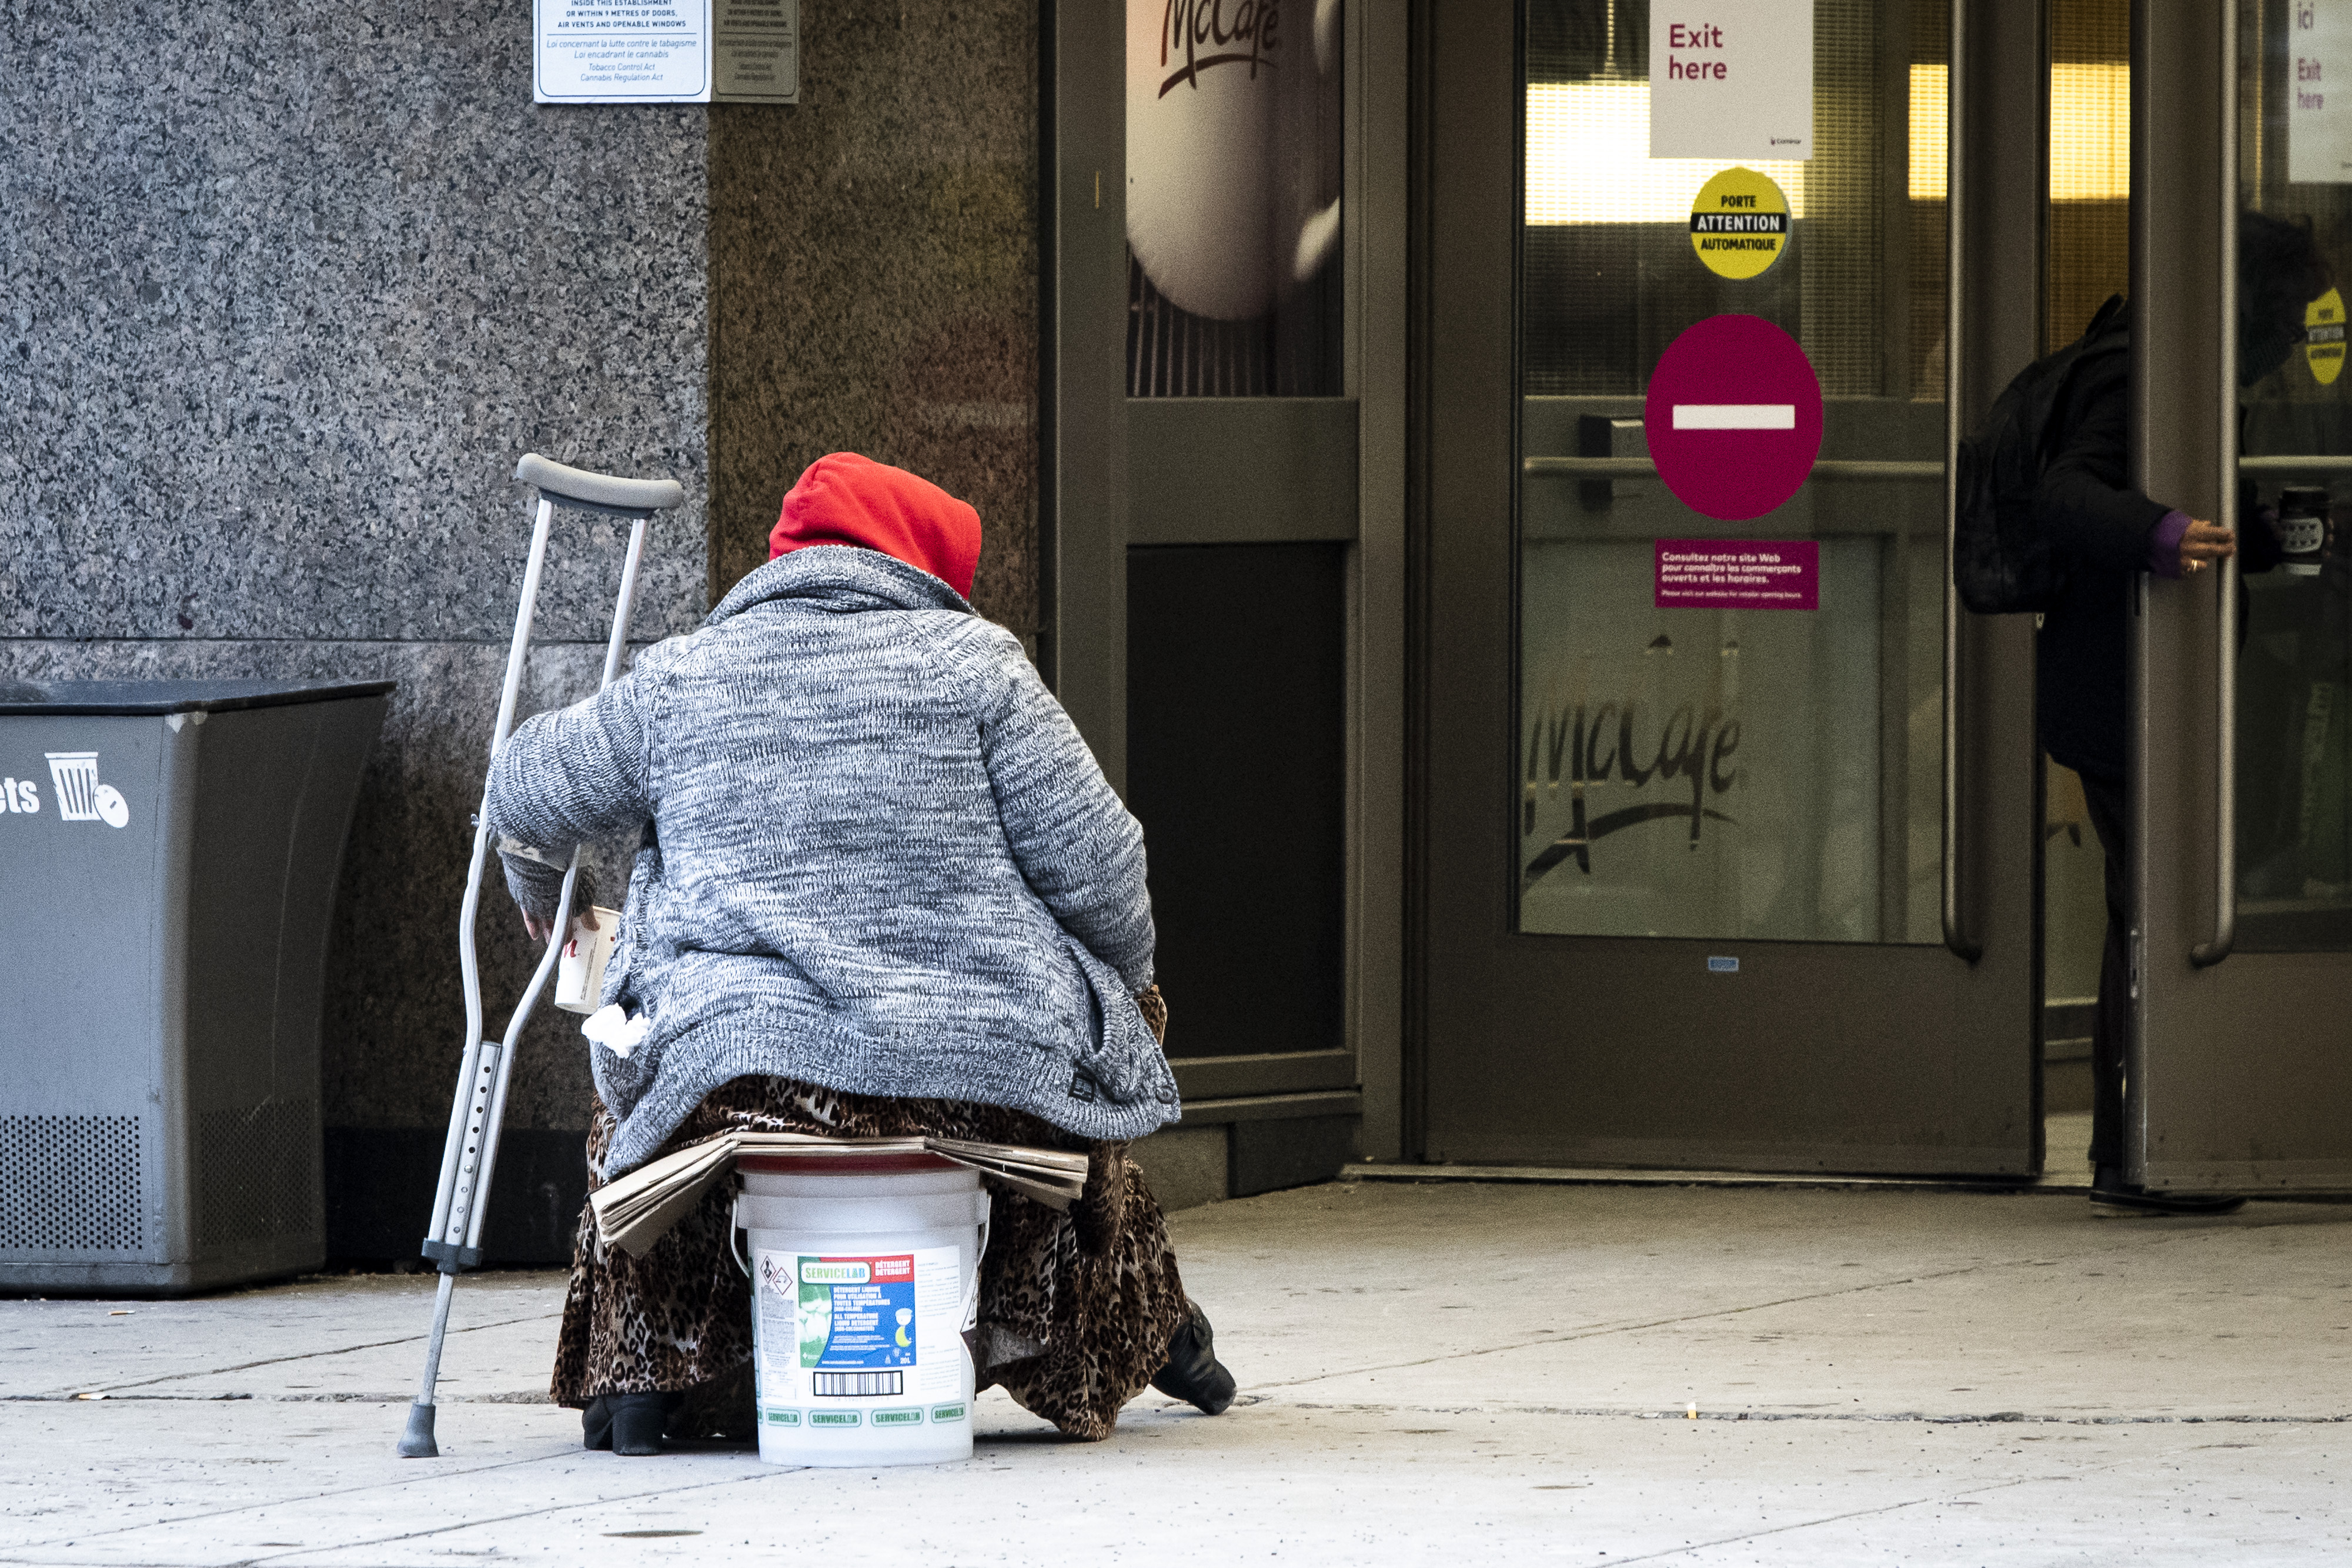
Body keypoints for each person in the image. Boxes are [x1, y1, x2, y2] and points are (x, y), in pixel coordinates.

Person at [485, 452, 1235, 1454]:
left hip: (742, 1074)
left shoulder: (683, 675)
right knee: (1081, 1097)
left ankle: (641, 1379)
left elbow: (525, 788)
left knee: (635, 1109)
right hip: (969, 1081)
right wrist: (1127, 987)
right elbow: (1105, 872)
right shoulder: (978, 668)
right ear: (924, 568)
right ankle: (1142, 1329)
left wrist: (541, 891)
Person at [2034, 210, 2330, 1215]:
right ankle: (2139, 1146)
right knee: (2150, 903)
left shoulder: (2198, 377)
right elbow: (2062, 492)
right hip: (2122, 688)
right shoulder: (2139, 370)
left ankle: (2140, 1142)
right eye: (2288, 315)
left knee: (2145, 901)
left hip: (2151, 685)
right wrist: (2163, 535)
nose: (2296, 340)